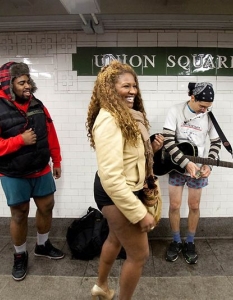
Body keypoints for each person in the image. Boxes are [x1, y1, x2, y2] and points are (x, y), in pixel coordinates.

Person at [86, 60, 163, 300]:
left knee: (114, 238)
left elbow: (127, 157)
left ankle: (101, 286)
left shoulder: (127, 116)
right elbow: (111, 177)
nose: (132, 91)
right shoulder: (110, 120)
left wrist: (150, 148)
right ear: (109, 88)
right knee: (139, 255)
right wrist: (139, 213)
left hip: (124, 189)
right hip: (116, 193)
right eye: (125, 86)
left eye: (134, 85)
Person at [0, 61, 64, 281]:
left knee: (47, 206)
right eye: (22, 82)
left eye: (29, 81)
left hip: (40, 169)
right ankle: (19, 255)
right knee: (20, 213)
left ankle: (42, 244)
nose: (28, 86)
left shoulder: (37, 103)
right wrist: (20, 140)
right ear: (9, 85)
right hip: (13, 173)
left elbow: (50, 132)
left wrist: (56, 160)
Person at [163, 82, 221, 264]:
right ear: (192, 98)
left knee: (194, 206)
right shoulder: (176, 111)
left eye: (208, 107)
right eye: (202, 106)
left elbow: (216, 143)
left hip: (198, 170)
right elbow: (168, 141)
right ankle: (176, 241)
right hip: (176, 166)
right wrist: (186, 163)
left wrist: (209, 164)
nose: (204, 110)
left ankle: (189, 242)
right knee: (174, 205)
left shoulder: (209, 116)